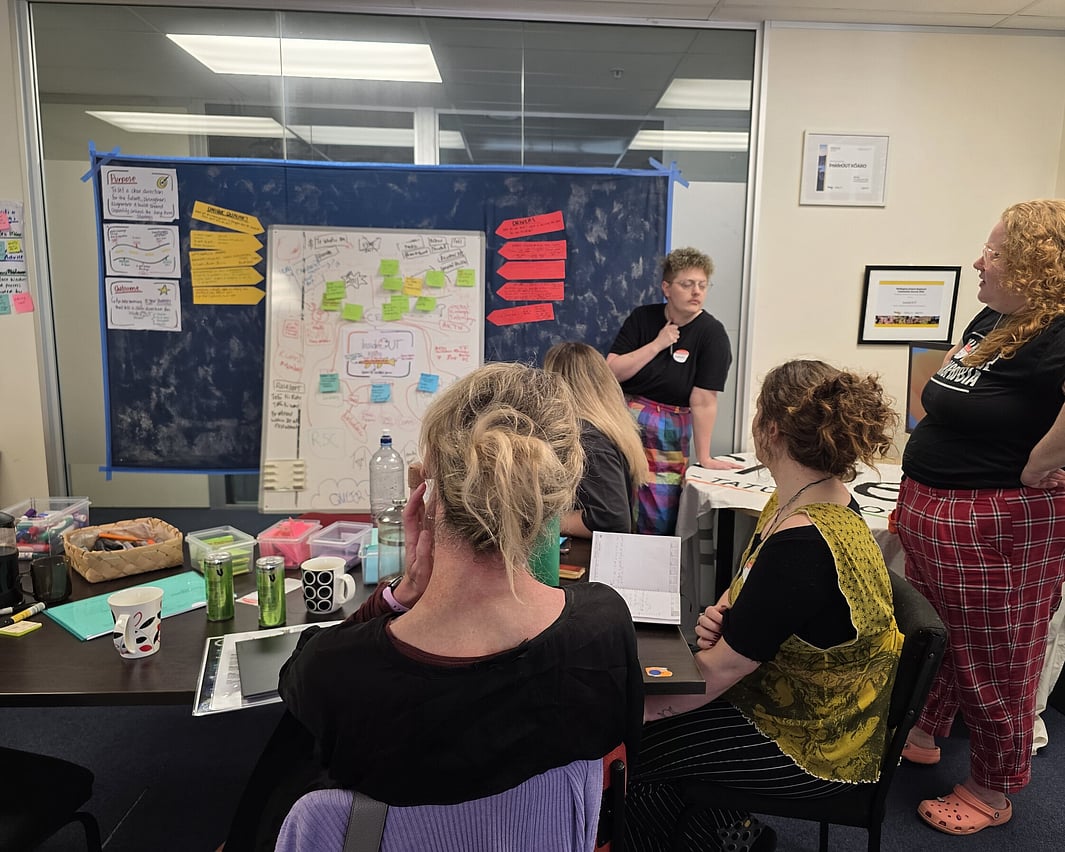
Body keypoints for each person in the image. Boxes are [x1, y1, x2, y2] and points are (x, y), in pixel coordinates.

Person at [223, 363, 644, 850]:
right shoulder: (605, 625)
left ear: (427, 492)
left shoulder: (335, 668)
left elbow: (298, 678)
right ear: (553, 498)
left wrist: (400, 593)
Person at [624, 359, 903, 852]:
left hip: (816, 742)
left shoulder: (804, 544)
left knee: (629, 753)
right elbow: (753, 579)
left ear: (770, 428)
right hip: (804, 702)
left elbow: (721, 669)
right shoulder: (806, 497)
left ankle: (718, 839)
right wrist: (730, 612)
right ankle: (734, 833)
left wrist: (630, 713)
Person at [896, 199, 1065, 836]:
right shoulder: (994, 318)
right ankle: (925, 731)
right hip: (938, 512)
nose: (978, 261)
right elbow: (951, 385)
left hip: (998, 523)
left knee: (998, 658)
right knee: (941, 637)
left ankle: (993, 789)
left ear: (1035, 262)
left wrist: (1038, 464)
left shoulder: (1059, 331)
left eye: (993, 252)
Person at [607, 246, 741, 536]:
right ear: (666, 288)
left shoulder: (712, 334)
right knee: (614, 499)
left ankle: (650, 562)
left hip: (667, 427)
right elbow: (612, 371)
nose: (696, 292)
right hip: (623, 419)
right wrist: (658, 343)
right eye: (687, 284)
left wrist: (704, 456)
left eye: (702, 285)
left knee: (658, 512)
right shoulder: (643, 318)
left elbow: (703, 401)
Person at [543, 341, 649, 536]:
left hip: (588, 551)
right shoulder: (611, 428)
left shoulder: (587, 439)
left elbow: (611, 519)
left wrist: (540, 522)